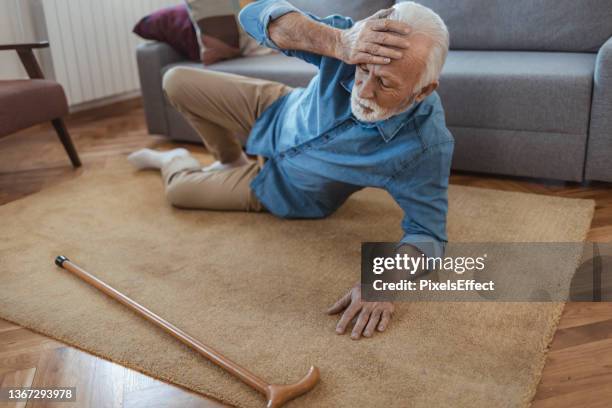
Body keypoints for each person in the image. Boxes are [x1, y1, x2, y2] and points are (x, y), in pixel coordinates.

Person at [128, 0, 453, 340]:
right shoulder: (351, 41)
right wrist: (339, 42)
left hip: (287, 189)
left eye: (385, 84)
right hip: (276, 110)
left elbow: (428, 236)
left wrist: (384, 280)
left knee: (179, 192)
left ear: (423, 90)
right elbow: (253, 15)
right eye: (362, 69)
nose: (364, 89)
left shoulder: (427, 147)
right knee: (176, 79)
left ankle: (172, 158)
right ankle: (229, 160)